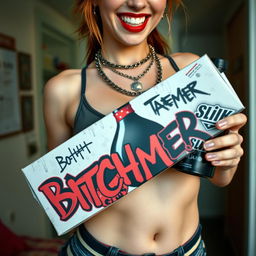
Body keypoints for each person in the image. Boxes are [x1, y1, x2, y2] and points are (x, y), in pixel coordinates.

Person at [43, 0, 247, 255]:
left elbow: (220, 178)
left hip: (189, 248)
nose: (138, 2)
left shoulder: (190, 69)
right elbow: (64, 201)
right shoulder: (63, 90)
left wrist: (229, 156)